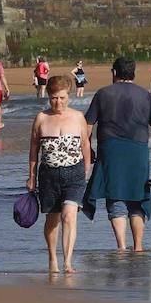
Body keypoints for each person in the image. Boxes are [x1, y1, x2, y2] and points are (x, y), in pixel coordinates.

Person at [82, 57, 151, 252]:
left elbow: (86, 126)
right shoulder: (145, 95)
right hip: (137, 150)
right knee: (137, 198)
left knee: (115, 197)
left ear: (114, 73)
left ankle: (121, 247)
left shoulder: (103, 94)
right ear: (134, 73)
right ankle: (138, 247)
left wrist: (87, 149)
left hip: (110, 149)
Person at [27, 76, 93, 274]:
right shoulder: (41, 118)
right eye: (54, 98)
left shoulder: (78, 117)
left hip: (75, 174)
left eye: (62, 98)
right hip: (48, 175)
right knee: (52, 219)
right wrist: (31, 176)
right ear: (49, 96)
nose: (58, 102)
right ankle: (52, 259)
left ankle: (68, 262)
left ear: (69, 96)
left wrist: (86, 169)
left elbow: (85, 145)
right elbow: (33, 149)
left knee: (69, 216)